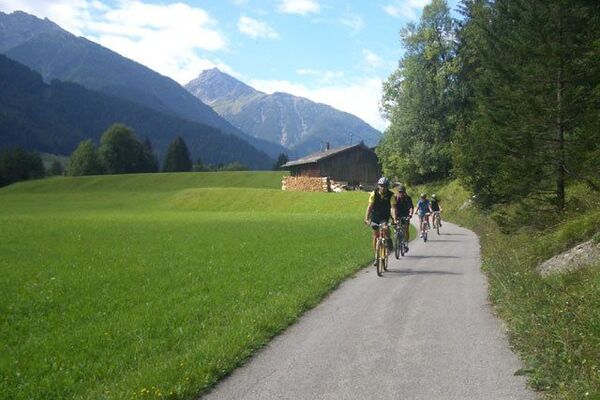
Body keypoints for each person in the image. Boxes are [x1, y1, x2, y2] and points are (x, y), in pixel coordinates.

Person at [364, 177, 397, 264]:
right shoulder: (373, 194)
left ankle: (388, 239)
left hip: (384, 216)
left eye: (385, 186)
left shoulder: (391, 195)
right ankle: (376, 256)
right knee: (375, 236)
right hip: (375, 216)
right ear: (378, 186)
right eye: (381, 186)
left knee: (385, 228)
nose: (383, 187)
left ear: (387, 187)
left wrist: (394, 219)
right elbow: (369, 207)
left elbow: (393, 208)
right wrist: (366, 218)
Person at [394, 185, 413, 253]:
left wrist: (410, 214)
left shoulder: (407, 198)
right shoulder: (395, 198)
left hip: (405, 215)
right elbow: (393, 208)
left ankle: (405, 244)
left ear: (405, 192)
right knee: (396, 228)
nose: (401, 193)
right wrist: (394, 217)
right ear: (398, 192)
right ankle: (397, 239)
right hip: (397, 215)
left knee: (405, 229)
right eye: (400, 192)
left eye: (402, 192)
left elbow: (411, 207)